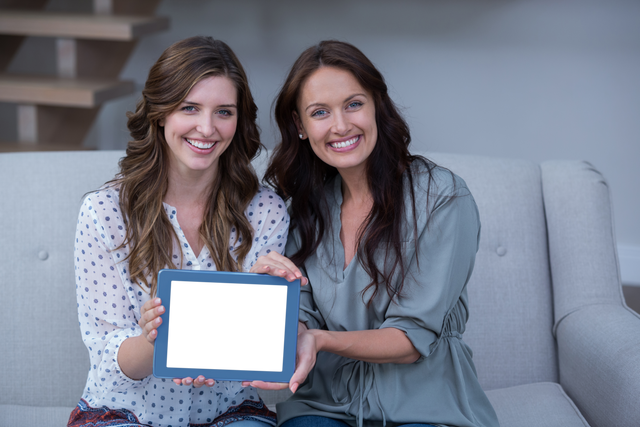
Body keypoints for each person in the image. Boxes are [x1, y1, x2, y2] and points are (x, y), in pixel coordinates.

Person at [246, 41, 500, 427]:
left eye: (353, 104)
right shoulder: (304, 208)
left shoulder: (443, 198)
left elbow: (410, 340)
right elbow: (303, 313)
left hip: (424, 405)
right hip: (323, 405)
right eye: (319, 112)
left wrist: (321, 341)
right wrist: (284, 319)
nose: (341, 125)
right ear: (300, 126)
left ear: (377, 106)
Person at [69, 36, 289, 427]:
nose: (207, 128)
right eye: (190, 108)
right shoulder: (104, 212)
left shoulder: (265, 210)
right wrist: (152, 341)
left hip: (230, 411)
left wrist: (273, 326)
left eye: (224, 111)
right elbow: (109, 361)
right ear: (160, 113)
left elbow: (271, 375)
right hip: (125, 412)